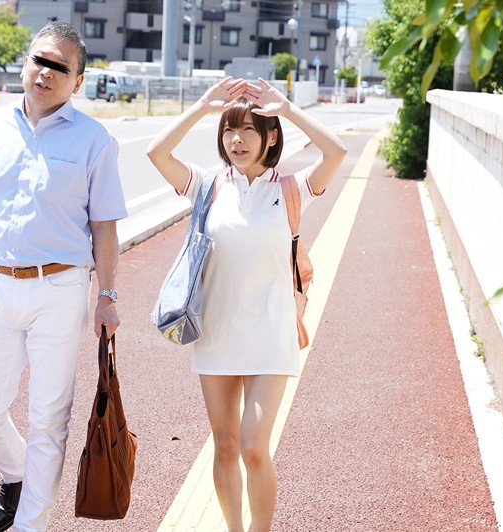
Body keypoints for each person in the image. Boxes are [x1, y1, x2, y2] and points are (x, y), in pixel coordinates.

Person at [0, 21, 126, 532]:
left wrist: (106, 295)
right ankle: (16, 474)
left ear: (78, 81)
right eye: (40, 60)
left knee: (48, 417)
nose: (46, 72)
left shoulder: (95, 140)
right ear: (25, 63)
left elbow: (104, 225)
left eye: (60, 66)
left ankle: (31, 523)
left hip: (59, 288)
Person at [146, 77, 346, 531]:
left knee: (254, 447)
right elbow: (157, 153)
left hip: (271, 333)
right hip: (216, 333)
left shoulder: (291, 189)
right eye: (229, 130)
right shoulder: (208, 185)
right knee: (225, 445)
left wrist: (287, 109)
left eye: (248, 130)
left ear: (270, 137)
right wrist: (202, 106)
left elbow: (336, 152)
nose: (236, 140)